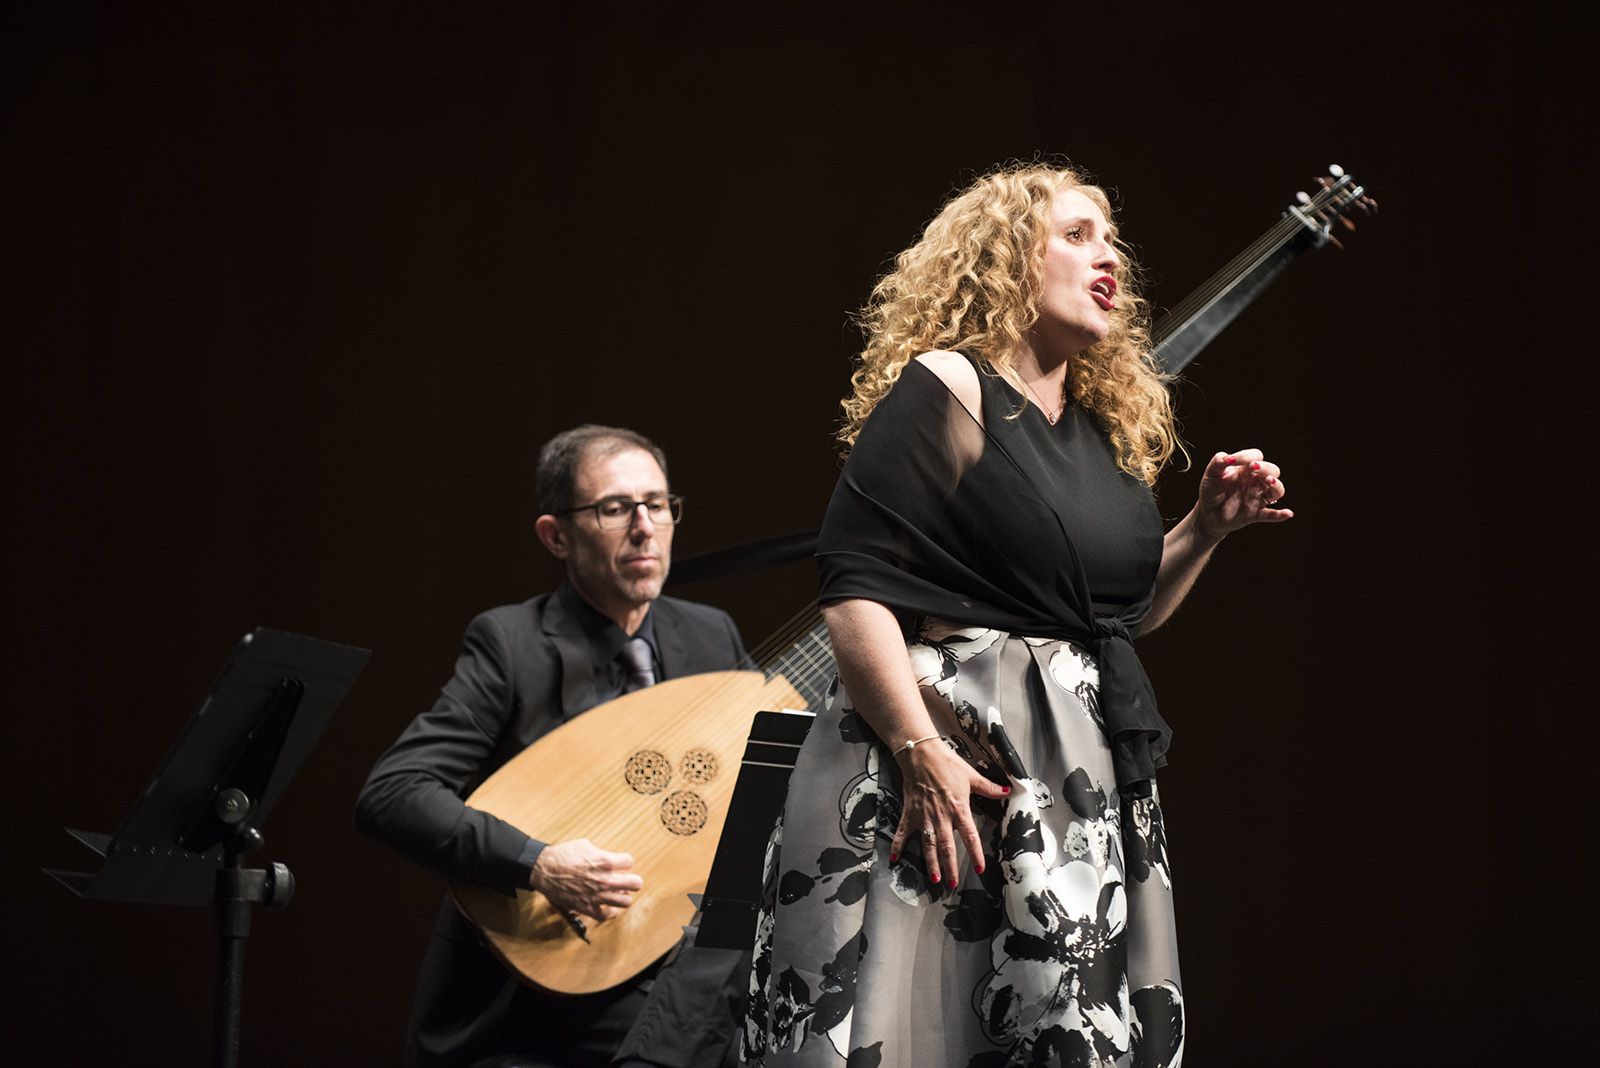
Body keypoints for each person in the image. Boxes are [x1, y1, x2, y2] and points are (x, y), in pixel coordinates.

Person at [743, 163, 1292, 1066]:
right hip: (951, 755)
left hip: (1073, 768)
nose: (1107, 257)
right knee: (924, 1019)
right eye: (1076, 236)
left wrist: (1204, 528)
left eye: (1111, 240)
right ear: (1004, 260)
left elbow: (1116, 618)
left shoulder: (1097, 427)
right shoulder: (951, 388)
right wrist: (921, 754)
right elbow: (853, 588)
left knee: (1058, 1026)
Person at [357, 424, 751, 1068]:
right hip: (542, 990)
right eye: (616, 508)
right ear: (556, 535)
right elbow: (393, 793)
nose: (645, 528)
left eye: (657, 504)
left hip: (678, 971)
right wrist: (539, 863)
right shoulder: (511, 645)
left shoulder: (710, 637)